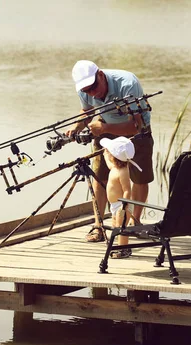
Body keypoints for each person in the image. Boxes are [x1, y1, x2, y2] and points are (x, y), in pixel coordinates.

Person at [66, 60, 154, 242]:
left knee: (139, 177)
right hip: (103, 127)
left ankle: (134, 223)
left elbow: (135, 126)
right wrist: (76, 127)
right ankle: (98, 226)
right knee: (99, 175)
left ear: (100, 74)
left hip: (136, 132)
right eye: (86, 90)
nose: (92, 93)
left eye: (93, 87)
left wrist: (105, 129)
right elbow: (87, 111)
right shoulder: (84, 89)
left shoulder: (127, 84)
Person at [100, 136, 136, 258]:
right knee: (116, 226)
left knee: (122, 228)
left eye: (109, 152)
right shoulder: (116, 167)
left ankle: (124, 249)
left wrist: (124, 207)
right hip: (115, 205)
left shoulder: (123, 171)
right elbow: (109, 164)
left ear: (115, 156)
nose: (108, 154)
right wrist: (105, 154)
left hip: (122, 205)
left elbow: (127, 190)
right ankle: (120, 247)